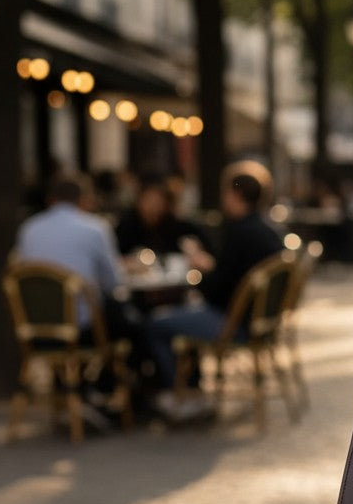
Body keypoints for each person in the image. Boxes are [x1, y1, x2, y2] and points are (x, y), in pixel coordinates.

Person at [147, 166, 282, 417]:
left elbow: (218, 291)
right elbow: (235, 277)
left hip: (234, 323)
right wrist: (212, 268)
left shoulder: (240, 232)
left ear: (234, 195)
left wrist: (199, 271)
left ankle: (183, 394)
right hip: (261, 322)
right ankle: (192, 389)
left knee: (155, 324)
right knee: (186, 316)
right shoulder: (268, 230)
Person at [15, 172, 122, 333]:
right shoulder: (95, 228)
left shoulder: (28, 228)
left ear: (50, 199)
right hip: (83, 327)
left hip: (34, 327)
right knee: (128, 321)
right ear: (84, 199)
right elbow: (113, 283)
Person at [114, 177, 206, 259]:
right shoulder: (126, 226)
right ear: (139, 201)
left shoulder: (177, 225)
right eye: (148, 199)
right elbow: (114, 256)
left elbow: (199, 244)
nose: (153, 206)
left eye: (158, 200)